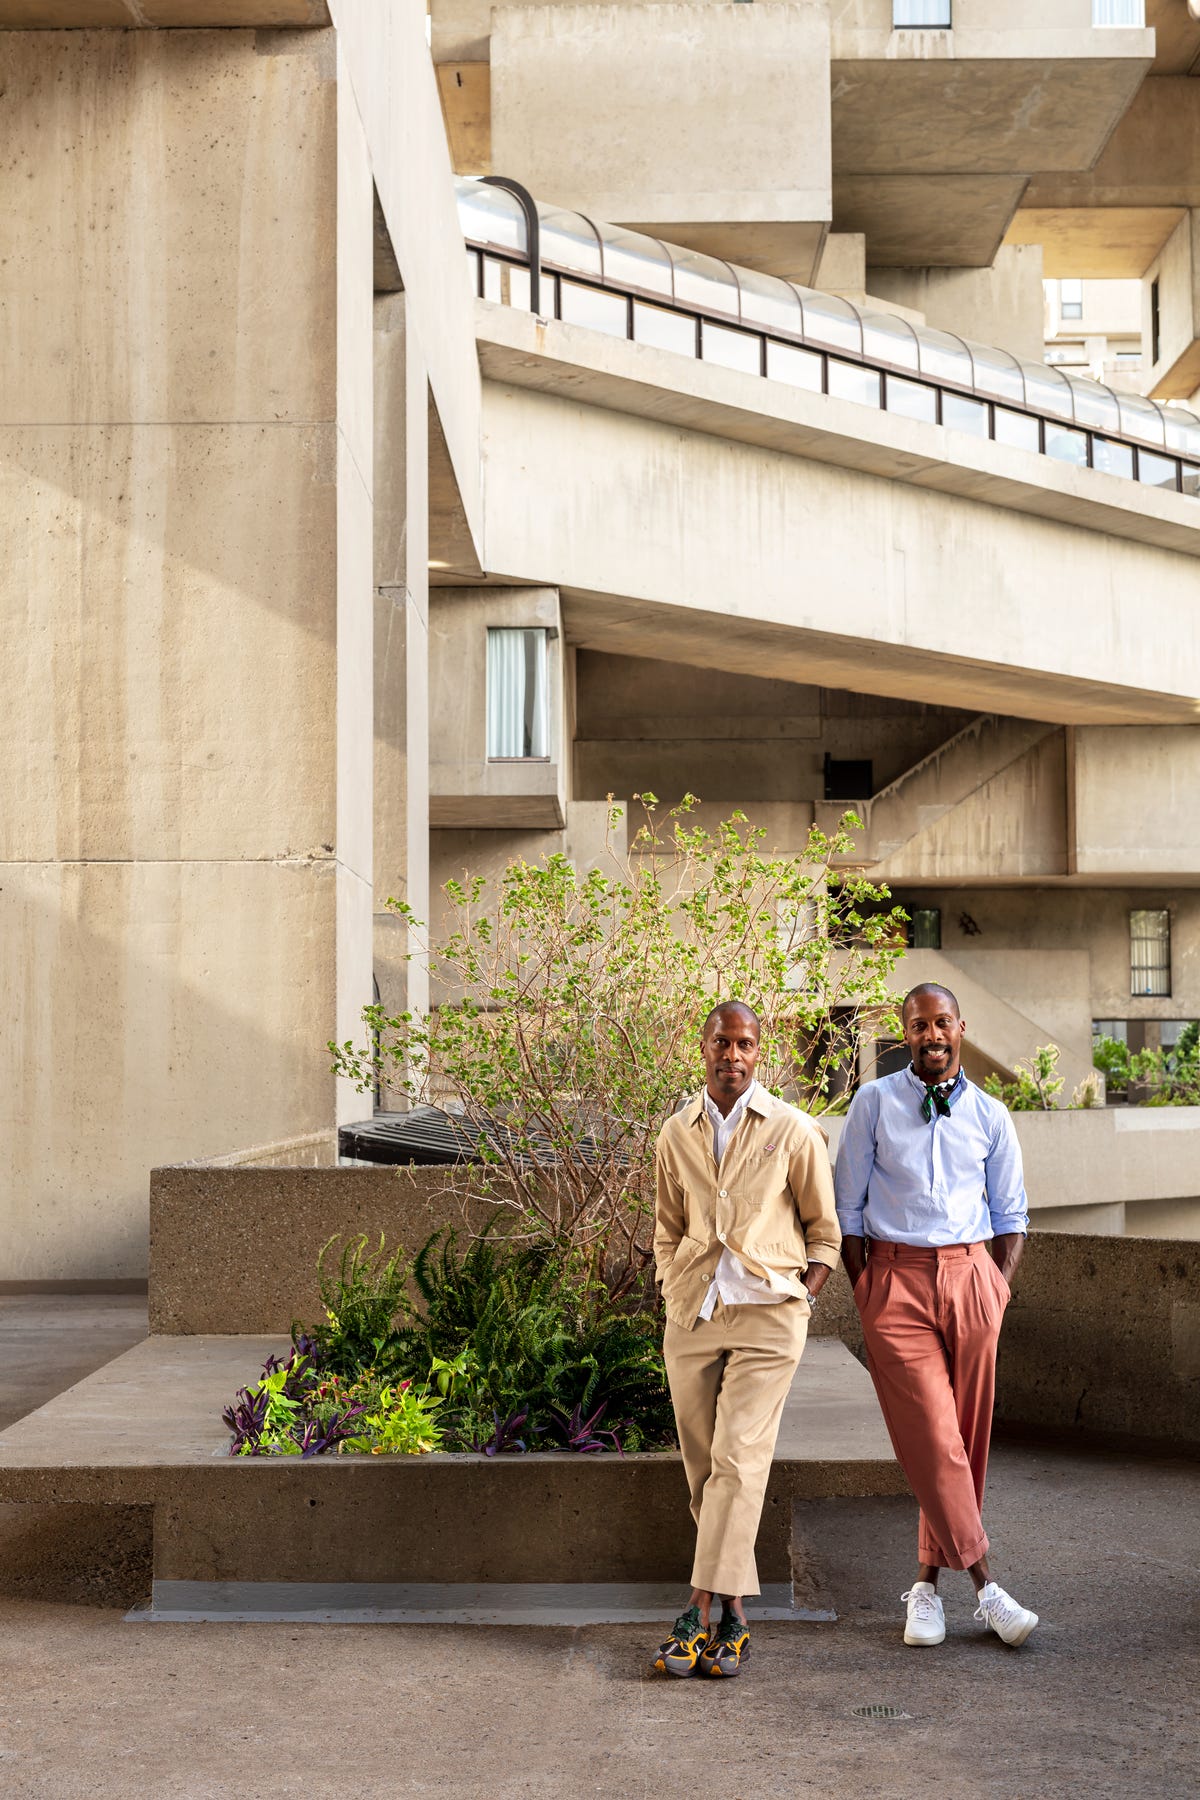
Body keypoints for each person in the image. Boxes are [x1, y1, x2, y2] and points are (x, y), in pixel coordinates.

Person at [834, 981, 1037, 1649]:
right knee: (932, 1433)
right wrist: (869, 1290)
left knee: (963, 1440)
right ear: (906, 1034)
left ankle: (925, 1590)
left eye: (942, 1023)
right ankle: (987, 1585)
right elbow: (848, 1211)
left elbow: (1011, 1217)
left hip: (973, 1279)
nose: (932, 1035)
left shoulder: (991, 1115)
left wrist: (995, 1289)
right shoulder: (873, 1103)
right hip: (897, 1282)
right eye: (919, 1026)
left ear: (960, 1026)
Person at [651, 1000, 841, 1678]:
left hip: (769, 1316)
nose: (734, 1055)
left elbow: (825, 1231)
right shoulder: (675, 1134)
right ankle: (736, 1616)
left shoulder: (793, 1130)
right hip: (694, 1314)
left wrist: (802, 1296)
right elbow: (666, 1227)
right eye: (722, 1043)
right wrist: (670, 1285)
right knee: (704, 1474)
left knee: (737, 1456)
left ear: (761, 1053)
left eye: (747, 1044)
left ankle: (695, 1610)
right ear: (701, 1047)